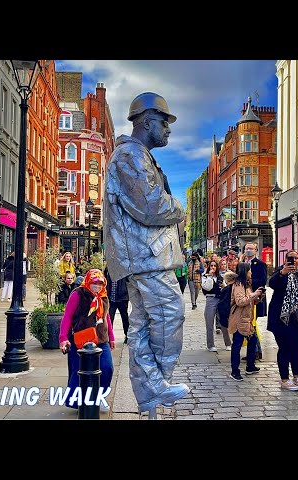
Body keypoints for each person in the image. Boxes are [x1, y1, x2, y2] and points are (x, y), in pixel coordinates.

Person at [103, 91, 189, 415]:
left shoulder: (137, 156)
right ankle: (157, 385)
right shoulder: (130, 156)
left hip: (144, 258)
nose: (168, 130)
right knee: (170, 316)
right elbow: (152, 205)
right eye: (164, 123)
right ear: (147, 121)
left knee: (139, 329)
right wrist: (179, 208)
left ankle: (150, 393)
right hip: (148, 259)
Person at [58, 269, 115, 411]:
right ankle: (77, 400)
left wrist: (111, 337)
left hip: (101, 339)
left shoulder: (103, 296)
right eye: (95, 283)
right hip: (80, 339)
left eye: (101, 283)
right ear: (89, 281)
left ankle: (99, 396)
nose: (98, 286)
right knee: (77, 371)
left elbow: (106, 317)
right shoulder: (78, 294)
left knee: (107, 368)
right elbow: (67, 316)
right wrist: (63, 338)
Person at [267, 249, 298, 390]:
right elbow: (272, 283)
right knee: (285, 347)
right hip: (281, 318)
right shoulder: (280, 273)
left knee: (297, 347)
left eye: (296, 258)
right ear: (285, 260)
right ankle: (284, 378)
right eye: (290, 258)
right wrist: (282, 273)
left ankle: (296, 375)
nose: (294, 261)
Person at [228, 262, 264, 381]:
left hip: (247, 320)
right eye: (249, 271)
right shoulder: (238, 285)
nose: (251, 273)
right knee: (237, 345)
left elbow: (250, 300)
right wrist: (254, 295)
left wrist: (258, 297)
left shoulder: (247, 284)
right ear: (245, 272)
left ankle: (250, 366)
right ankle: (235, 371)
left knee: (253, 341)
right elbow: (240, 301)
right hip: (239, 319)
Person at [241, 242, 267, 362]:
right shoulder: (243, 264)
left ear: (256, 250)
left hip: (255, 298)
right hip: (245, 297)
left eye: (251, 248)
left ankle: (256, 351)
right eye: (247, 248)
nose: (248, 250)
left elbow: (262, 280)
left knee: (252, 324)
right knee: (250, 324)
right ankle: (255, 351)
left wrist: (249, 281)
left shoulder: (260, 264)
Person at [202, 260, 232, 352]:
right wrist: (210, 277)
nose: (213, 267)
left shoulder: (220, 277)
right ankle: (210, 345)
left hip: (220, 299)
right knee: (209, 322)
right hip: (210, 299)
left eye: (215, 266)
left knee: (223, 322)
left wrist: (224, 286)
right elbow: (208, 287)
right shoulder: (205, 277)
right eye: (211, 266)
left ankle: (228, 343)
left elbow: (225, 288)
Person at [104, 266, 130, 343]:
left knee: (125, 318)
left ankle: (127, 335)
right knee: (109, 318)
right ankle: (109, 337)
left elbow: (128, 281)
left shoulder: (123, 269)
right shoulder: (108, 269)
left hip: (122, 298)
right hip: (111, 299)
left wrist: (126, 293)